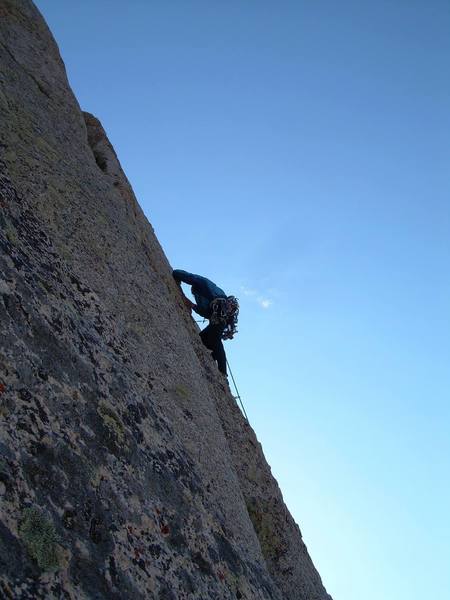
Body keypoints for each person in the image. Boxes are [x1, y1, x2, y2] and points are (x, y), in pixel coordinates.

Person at [172, 269, 239, 376]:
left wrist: (177, 275)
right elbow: (206, 313)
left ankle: (222, 371)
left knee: (214, 340)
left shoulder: (204, 287)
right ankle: (216, 365)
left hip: (219, 320)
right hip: (218, 320)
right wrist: (193, 306)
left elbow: (188, 277)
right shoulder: (211, 301)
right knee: (202, 340)